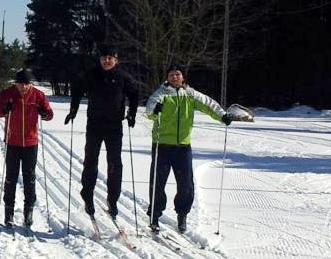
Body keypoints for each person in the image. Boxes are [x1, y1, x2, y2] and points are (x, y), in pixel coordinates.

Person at [145, 63, 232, 233]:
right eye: (171, 75)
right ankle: (154, 216)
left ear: (183, 77)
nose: (175, 77)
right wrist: (156, 109)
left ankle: (182, 215)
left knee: (186, 185)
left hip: (183, 147)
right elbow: (150, 111)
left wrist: (223, 116)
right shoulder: (161, 94)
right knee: (157, 183)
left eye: (177, 74)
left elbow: (208, 104)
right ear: (167, 78)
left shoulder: (190, 95)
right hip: (161, 145)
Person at [64, 45, 139, 219]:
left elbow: (134, 94)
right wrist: (73, 110)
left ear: (116, 60)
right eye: (104, 58)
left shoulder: (122, 77)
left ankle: (113, 199)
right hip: (95, 124)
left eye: (110, 58)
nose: (107, 61)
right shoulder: (91, 74)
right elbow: (77, 90)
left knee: (115, 163)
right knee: (91, 160)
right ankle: (87, 194)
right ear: (100, 60)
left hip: (114, 125)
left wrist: (132, 114)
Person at [0, 69, 54, 228]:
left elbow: (50, 114)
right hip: (12, 142)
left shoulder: (38, 95)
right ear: (16, 83)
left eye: (26, 84)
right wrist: (4, 110)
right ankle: (9, 212)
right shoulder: (7, 94)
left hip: (31, 143)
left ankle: (28, 212)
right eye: (20, 84)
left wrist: (44, 113)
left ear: (30, 83)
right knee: (11, 178)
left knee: (29, 178)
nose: (23, 87)